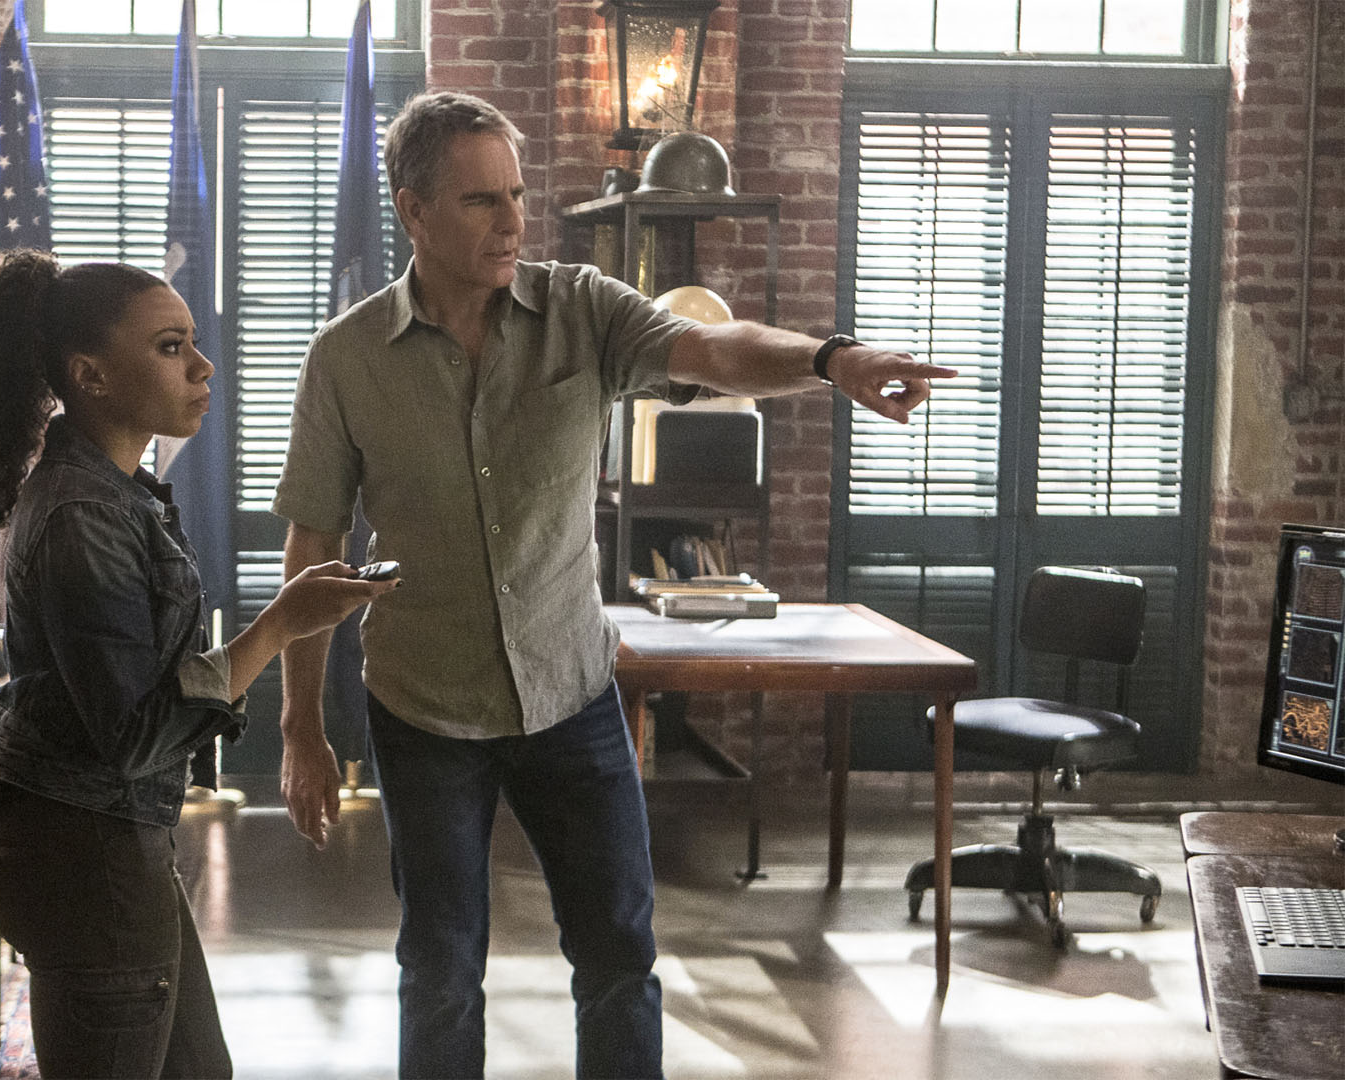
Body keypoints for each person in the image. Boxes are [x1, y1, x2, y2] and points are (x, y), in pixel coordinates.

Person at [271, 91, 956, 1079]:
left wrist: (830, 359)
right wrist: (299, 723)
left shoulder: (583, 309)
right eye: (480, 201)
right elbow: (315, 545)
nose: (512, 221)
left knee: (619, 962)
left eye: (516, 195)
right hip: (424, 712)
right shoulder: (345, 359)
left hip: (573, 697)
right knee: (441, 972)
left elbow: (712, 349)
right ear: (413, 211)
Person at [0, 251, 396, 1079]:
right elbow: (133, 734)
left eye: (193, 342)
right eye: (170, 347)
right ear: (91, 376)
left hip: (105, 842)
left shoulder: (115, 493)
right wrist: (281, 624)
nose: (203, 365)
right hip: (87, 855)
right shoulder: (83, 513)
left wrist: (286, 619)